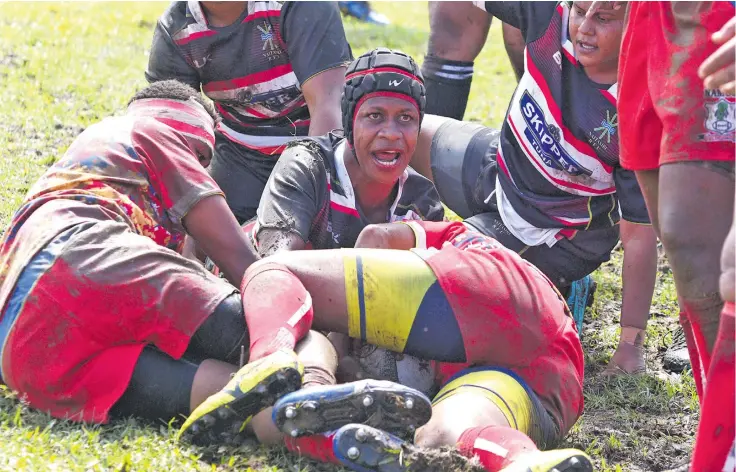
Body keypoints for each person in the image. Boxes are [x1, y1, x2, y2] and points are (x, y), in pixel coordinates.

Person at [180, 218, 591, 472]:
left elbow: (377, 236)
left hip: (496, 291)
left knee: (271, 269)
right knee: (441, 439)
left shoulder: (449, 233)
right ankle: (521, 462)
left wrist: (338, 344)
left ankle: (270, 361)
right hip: (555, 382)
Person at [412, 1, 659, 375]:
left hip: (554, 232)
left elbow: (640, 239)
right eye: (579, 10)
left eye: (603, 18)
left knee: (440, 274)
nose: (584, 27)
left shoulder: (636, 110)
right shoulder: (549, 17)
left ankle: (555, 288)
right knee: (401, 134)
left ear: (636, 26)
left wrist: (630, 345)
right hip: (499, 168)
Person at [617, 3, 735, 469]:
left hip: (713, 17)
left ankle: (724, 448)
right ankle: (718, 431)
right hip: (648, 18)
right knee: (681, 249)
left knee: (695, 242)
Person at [146, 1, 352, 223]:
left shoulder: (300, 5)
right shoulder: (176, 28)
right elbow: (169, 133)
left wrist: (308, 198)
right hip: (240, 155)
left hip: (322, 148)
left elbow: (328, 106)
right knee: (194, 231)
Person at [250, 48, 445, 257]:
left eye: (406, 117)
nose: (390, 133)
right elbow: (275, 266)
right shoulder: (307, 167)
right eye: (374, 115)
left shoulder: (420, 202)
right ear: (349, 123)